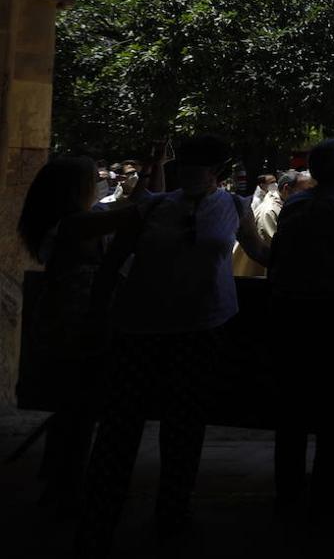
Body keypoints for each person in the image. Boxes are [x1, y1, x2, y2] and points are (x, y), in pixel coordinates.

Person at [77, 135, 268, 555]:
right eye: (188, 164)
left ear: (216, 171)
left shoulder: (235, 208)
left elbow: (259, 251)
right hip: (140, 329)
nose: (192, 171)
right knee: (121, 428)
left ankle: (172, 511)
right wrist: (97, 315)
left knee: (183, 427)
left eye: (201, 164)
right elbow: (113, 263)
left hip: (201, 330)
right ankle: (101, 513)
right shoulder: (151, 208)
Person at [16, 153, 158, 516]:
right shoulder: (72, 225)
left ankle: (58, 478)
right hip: (75, 321)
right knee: (79, 407)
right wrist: (153, 180)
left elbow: (133, 207)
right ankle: (66, 486)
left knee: (72, 406)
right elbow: (134, 213)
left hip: (71, 317)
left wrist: (151, 175)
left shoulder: (67, 222)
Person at [267, 138, 334, 513]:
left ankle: (288, 487)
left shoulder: (295, 204)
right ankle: (326, 482)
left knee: (294, 411)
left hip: (293, 316)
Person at [232, 170, 312, 277]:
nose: (309, 196)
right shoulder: (269, 212)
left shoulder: (285, 203)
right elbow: (274, 252)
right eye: (305, 191)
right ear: (286, 189)